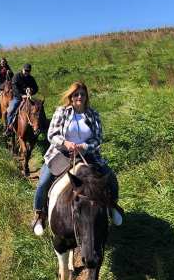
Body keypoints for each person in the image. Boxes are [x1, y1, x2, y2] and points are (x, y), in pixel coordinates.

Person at [31, 81, 123, 236]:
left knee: (110, 177)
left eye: (82, 94)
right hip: (61, 153)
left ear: (86, 97)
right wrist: (66, 143)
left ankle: (112, 206)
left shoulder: (93, 114)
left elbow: (98, 138)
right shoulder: (62, 111)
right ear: (71, 96)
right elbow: (52, 134)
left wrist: (84, 147)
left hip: (87, 154)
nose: (79, 97)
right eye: (76, 94)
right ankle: (39, 215)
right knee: (43, 182)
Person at [3, 64, 38, 135]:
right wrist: (22, 95)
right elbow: (14, 88)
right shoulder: (16, 77)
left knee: (38, 108)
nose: (27, 72)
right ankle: (9, 127)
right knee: (10, 110)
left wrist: (31, 91)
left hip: (29, 98)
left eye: (28, 71)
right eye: (26, 70)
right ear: (23, 69)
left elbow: (36, 88)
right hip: (18, 98)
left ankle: (40, 126)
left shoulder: (31, 78)